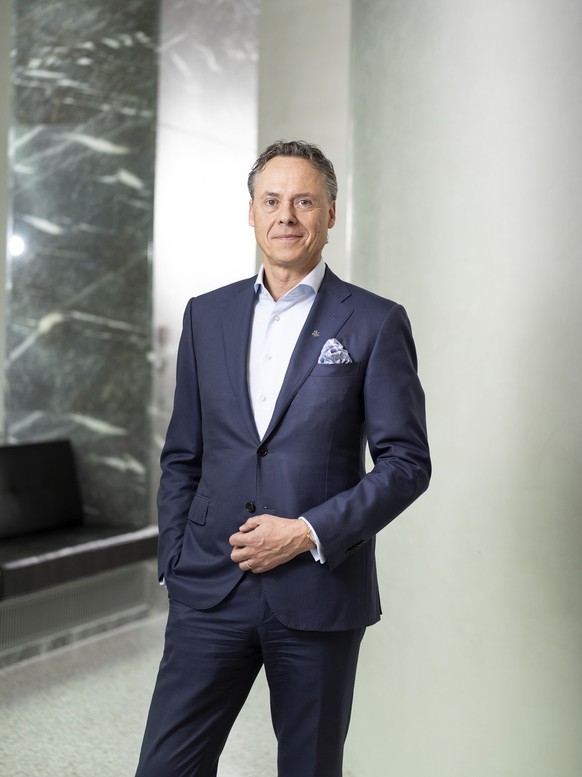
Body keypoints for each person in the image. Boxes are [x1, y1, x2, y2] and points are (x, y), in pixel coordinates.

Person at [135, 140, 431, 777]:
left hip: (318, 592)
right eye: (272, 201)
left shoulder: (375, 323)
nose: (286, 216)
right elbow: (183, 453)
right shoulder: (206, 315)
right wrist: (178, 560)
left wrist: (303, 534)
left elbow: (406, 463)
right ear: (251, 212)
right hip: (210, 589)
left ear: (329, 213)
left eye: (304, 201)